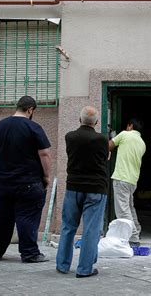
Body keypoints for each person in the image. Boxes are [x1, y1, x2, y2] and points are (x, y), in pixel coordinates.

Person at [0, 95, 52, 263]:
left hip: (2, 181)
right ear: (30, 109)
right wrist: (46, 176)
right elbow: (44, 153)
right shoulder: (33, 127)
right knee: (27, 217)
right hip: (28, 181)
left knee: (1, 217)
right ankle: (29, 253)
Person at [56, 106, 109, 278]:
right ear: (96, 123)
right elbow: (105, 157)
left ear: (80, 120)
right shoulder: (101, 139)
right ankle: (85, 268)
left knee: (68, 227)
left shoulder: (69, 137)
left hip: (73, 187)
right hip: (95, 189)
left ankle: (62, 265)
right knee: (91, 230)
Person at [109, 118, 146, 246]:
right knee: (130, 207)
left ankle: (134, 238)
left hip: (121, 178)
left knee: (122, 210)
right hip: (132, 180)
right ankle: (137, 229)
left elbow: (109, 146)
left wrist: (111, 137)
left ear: (130, 126)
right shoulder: (142, 143)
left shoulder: (124, 134)